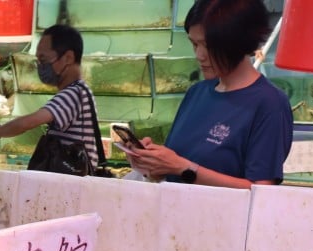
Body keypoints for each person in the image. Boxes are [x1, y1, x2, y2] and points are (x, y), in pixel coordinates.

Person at [124, 0, 291, 188]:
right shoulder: (197, 93)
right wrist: (152, 163)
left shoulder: (269, 103)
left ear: (239, 41)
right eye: (194, 44)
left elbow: (261, 190)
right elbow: (175, 170)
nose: (199, 55)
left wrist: (185, 168)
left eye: (208, 45)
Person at [0, 24, 99, 170]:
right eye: (38, 61)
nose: (40, 67)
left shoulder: (73, 94)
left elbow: (27, 123)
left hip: (73, 186)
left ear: (68, 58)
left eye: (44, 60)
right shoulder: (80, 91)